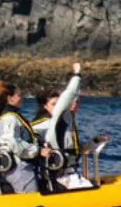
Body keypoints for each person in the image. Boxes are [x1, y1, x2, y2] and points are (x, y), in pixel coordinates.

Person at [0, 80, 49, 194]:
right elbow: (14, 144)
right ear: (9, 98)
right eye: (19, 95)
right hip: (18, 168)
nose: (21, 98)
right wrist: (38, 151)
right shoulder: (11, 118)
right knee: (31, 200)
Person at [32, 62, 91, 190]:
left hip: (64, 171)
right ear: (45, 106)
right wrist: (77, 75)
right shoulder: (54, 120)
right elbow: (69, 94)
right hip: (62, 174)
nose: (59, 107)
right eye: (54, 104)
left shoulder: (60, 121)